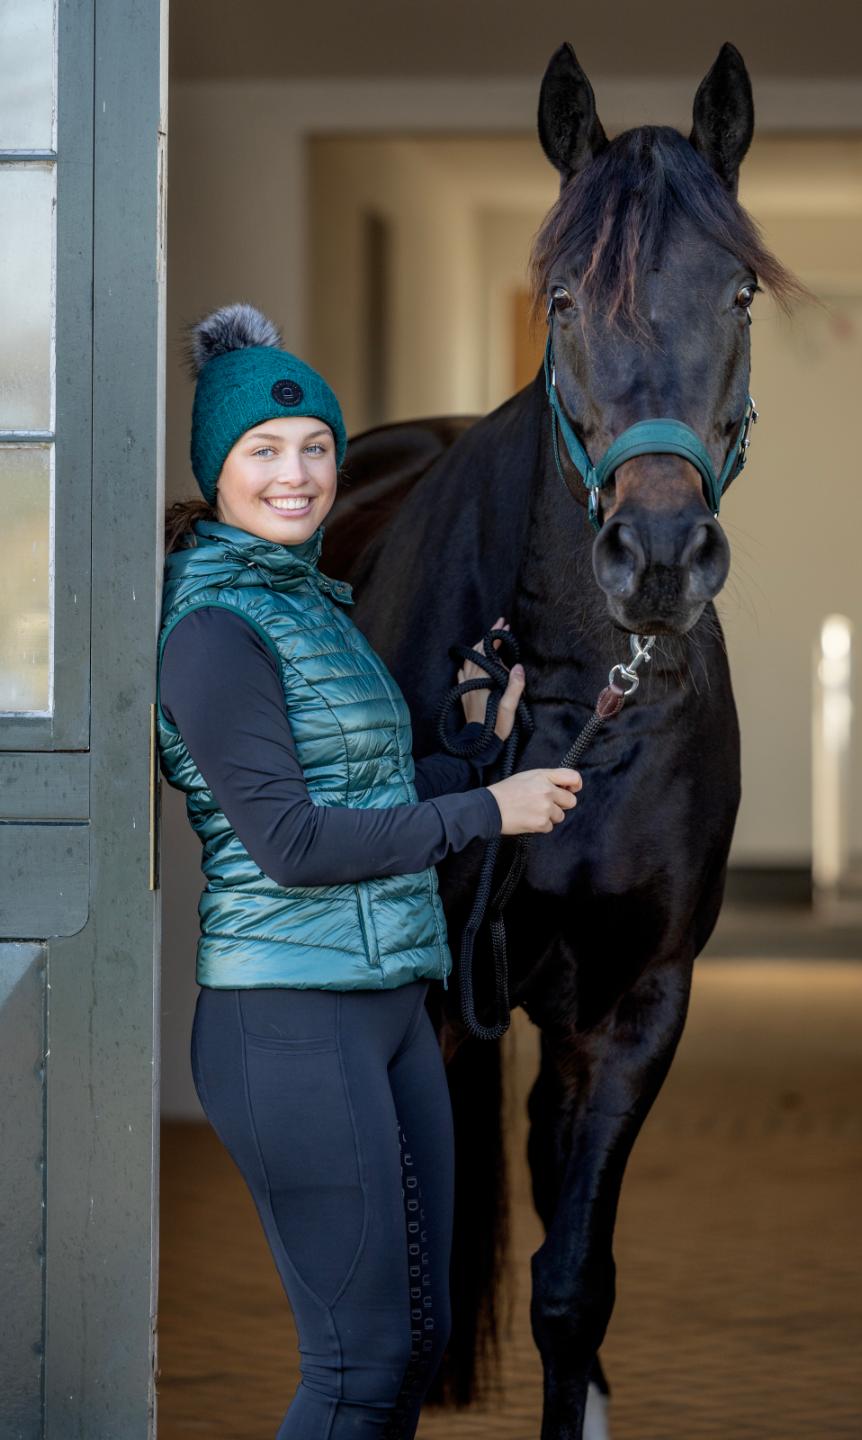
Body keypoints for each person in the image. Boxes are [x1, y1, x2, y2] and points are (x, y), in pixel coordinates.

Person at [156, 301, 582, 1439]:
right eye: (263, 451)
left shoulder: (316, 607)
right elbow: (291, 844)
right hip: (288, 1016)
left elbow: (382, 796)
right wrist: (490, 809)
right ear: (218, 467)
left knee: (416, 1344)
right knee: (356, 1365)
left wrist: (482, 739)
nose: (295, 476)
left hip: (387, 1001)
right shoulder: (213, 634)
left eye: (314, 450)